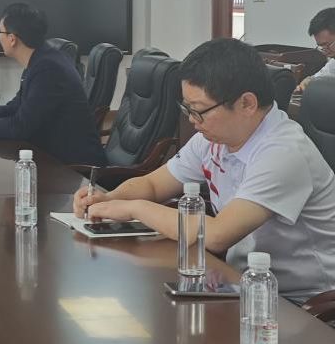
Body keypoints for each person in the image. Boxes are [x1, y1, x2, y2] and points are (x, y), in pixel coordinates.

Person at [73, 38, 335, 300]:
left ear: (247, 103)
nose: (191, 120)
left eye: (198, 110)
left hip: (302, 304)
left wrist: (134, 209)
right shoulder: (214, 138)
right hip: (240, 283)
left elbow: (218, 235)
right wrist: (107, 199)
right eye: (187, 108)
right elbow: (153, 184)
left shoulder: (283, 153)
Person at [0, 4, 106, 166]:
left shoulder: (49, 69)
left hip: (72, 166)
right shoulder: (41, 60)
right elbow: (15, 108)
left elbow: (20, 127)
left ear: (12, 39)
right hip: (50, 155)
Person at [296, 7, 335, 92]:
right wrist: (308, 82)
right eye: (321, 47)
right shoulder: (333, 62)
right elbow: (317, 79)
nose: (325, 52)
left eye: (327, 45)